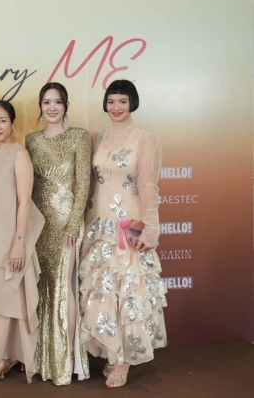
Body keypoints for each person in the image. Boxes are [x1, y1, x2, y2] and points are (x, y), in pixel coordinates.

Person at [78, 79, 167, 388]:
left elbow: (148, 186)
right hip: (99, 229)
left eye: (123, 101)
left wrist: (151, 228)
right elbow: (89, 184)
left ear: (133, 104)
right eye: (111, 101)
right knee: (103, 294)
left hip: (128, 230)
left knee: (128, 295)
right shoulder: (97, 138)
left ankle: (123, 361)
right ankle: (112, 351)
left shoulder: (145, 139)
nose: (116, 107)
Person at [0, 100, 45, 386]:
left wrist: (18, 243)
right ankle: (3, 354)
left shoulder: (20, 154)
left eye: (3, 120)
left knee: (6, 301)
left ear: (13, 124)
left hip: (10, 239)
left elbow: (24, 202)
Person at [25, 82, 91, 385]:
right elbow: (29, 185)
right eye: (46, 102)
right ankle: (43, 359)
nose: (52, 107)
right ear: (40, 106)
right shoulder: (31, 140)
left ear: (66, 106)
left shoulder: (79, 136)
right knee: (41, 286)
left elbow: (84, 183)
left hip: (66, 222)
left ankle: (67, 361)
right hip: (38, 223)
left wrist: (74, 223)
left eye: (57, 102)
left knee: (64, 287)